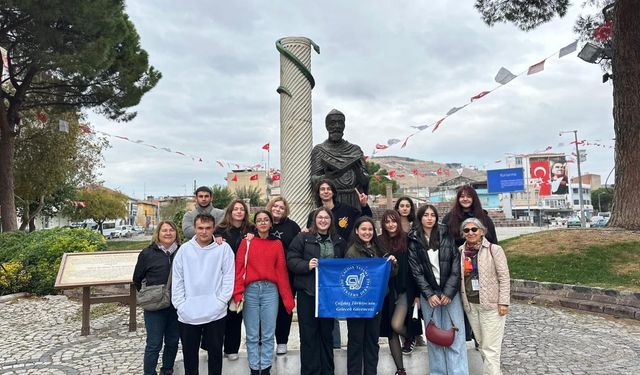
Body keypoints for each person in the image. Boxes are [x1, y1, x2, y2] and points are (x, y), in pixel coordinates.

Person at [307, 178, 372, 349]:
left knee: (340, 304)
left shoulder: (346, 210)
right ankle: (328, 344)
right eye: (322, 189)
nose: (326, 191)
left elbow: (365, 222)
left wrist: (364, 205)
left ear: (334, 192)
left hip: (344, 263)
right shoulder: (314, 214)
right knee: (325, 305)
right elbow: (311, 236)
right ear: (318, 193)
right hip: (323, 269)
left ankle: (338, 344)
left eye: (329, 188)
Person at [232, 210, 295, 375]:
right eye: (259, 220)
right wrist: (238, 292)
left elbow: (281, 271)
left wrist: (287, 298)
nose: (262, 222)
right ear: (255, 224)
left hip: (270, 291)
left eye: (266, 220)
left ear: (271, 223)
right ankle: (254, 369)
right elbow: (239, 268)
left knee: (268, 334)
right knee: (252, 335)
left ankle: (265, 369)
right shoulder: (247, 243)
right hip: (250, 290)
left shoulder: (277, 244)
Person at [407, 205, 468, 375]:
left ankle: (459, 372)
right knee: (434, 336)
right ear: (420, 218)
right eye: (426, 215)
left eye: (432, 215)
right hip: (429, 295)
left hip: (450, 294)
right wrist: (429, 294)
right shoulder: (413, 238)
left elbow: (456, 266)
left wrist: (448, 292)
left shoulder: (445, 233)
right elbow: (416, 271)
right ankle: (438, 372)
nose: (429, 218)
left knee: (455, 335)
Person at [171, 214, 235, 375]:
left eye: (208, 228)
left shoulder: (223, 249)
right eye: (200, 228)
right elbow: (177, 279)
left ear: (214, 228)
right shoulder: (184, 250)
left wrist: (220, 302)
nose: (204, 232)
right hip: (188, 312)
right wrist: (180, 305)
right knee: (190, 356)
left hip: (216, 311)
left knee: (215, 354)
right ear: (195, 228)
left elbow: (229, 277)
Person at [287, 207, 347, 375]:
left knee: (326, 335)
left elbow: (345, 264)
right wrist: (307, 265)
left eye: (326, 218)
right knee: (308, 335)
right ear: (314, 220)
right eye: (319, 217)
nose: (323, 220)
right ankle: (310, 372)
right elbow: (291, 260)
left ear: (331, 221)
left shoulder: (339, 240)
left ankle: (328, 371)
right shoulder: (303, 238)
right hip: (308, 293)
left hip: (328, 295)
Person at [345, 216, 396, 375]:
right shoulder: (352, 252)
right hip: (357, 305)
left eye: (370, 229)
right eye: (363, 229)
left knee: (372, 342)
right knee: (356, 342)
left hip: (375, 303)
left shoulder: (379, 248)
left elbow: (391, 274)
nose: (367, 232)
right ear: (356, 231)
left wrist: (392, 263)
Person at [459, 218, 510, 375]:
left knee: (491, 349)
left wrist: (504, 302)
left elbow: (504, 277)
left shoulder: (494, 250)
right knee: (481, 345)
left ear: (482, 231)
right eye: (466, 230)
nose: (471, 233)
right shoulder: (460, 251)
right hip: (471, 305)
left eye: (474, 229)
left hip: (491, 305)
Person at [133, 220, 181, 375]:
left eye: (171, 230)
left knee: (173, 341)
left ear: (176, 233)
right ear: (158, 234)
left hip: (176, 304)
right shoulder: (147, 253)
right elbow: (137, 279)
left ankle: (167, 369)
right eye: (164, 230)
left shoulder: (182, 251)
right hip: (155, 305)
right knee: (154, 343)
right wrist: (152, 294)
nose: (168, 233)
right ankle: (149, 372)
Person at [378, 210, 421, 375]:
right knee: (391, 330)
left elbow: (415, 269)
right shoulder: (379, 241)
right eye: (387, 222)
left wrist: (417, 294)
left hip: (405, 289)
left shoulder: (408, 240)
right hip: (387, 292)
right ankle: (400, 370)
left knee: (396, 325)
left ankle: (411, 336)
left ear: (398, 222)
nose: (391, 225)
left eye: (393, 221)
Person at [213, 199, 255, 361]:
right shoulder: (220, 230)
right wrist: (216, 239)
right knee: (224, 314)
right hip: (225, 277)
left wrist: (253, 237)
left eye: (241, 209)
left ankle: (232, 348)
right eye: (235, 209)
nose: (238, 212)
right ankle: (216, 347)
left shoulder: (251, 229)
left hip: (246, 277)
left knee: (238, 313)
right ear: (230, 212)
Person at [310, 109, 370, 211]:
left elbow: (365, 180)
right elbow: (314, 179)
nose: (337, 126)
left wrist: (356, 169)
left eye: (340, 123)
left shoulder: (355, 150)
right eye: (333, 123)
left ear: (344, 125)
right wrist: (329, 176)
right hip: (330, 200)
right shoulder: (319, 150)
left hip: (352, 200)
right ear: (327, 126)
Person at [267, 197, 302, 355]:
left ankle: (282, 341)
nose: (278, 209)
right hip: (266, 274)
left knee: (284, 308)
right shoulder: (262, 222)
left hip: (287, 274)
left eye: (281, 207)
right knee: (267, 309)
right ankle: (265, 342)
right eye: (275, 206)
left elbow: (298, 247)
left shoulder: (292, 226)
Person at [393, 196, 424, 352]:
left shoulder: (416, 227)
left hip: (412, 273)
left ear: (411, 209)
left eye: (407, 206)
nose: (404, 208)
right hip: (396, 275)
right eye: (402, 205)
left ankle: (412, 336)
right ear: (397, 208)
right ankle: (410, 337)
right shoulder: (392, 226)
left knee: (411, 309)